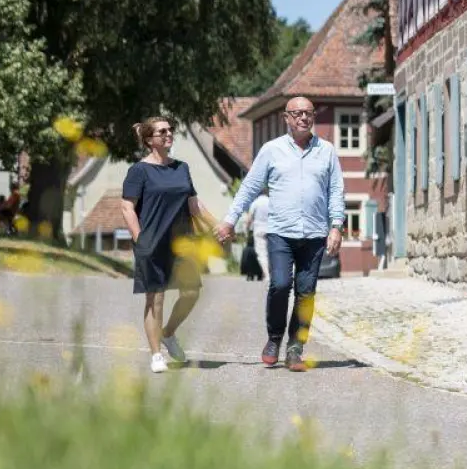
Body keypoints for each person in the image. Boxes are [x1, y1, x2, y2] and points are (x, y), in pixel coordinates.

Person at [217, 97, 344, 372]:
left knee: (306, 292)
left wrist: (336, 226)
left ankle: (295, 348)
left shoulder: (327, 151)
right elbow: (250, 187)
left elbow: (335, 190)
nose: (303, 117)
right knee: (280, 285)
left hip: (314, 234)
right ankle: (274, 339)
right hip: (280, 233)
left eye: (308, 113)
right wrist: (230, 220)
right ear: (286, 118)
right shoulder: (271, 150)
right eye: (297, 113)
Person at [122, 117, 218, 374]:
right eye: (162, 131)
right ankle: (156, 354)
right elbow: (127, 207)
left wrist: (218, 226)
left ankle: (168, 333)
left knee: (191, 293)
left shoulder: (182, 168)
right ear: (149, 140)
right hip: (152, 242)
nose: (168, 134)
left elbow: (194, 204)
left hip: (182, 242)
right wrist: (139, 239)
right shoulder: (139, 171)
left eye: (170, 130)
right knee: (156, 299)